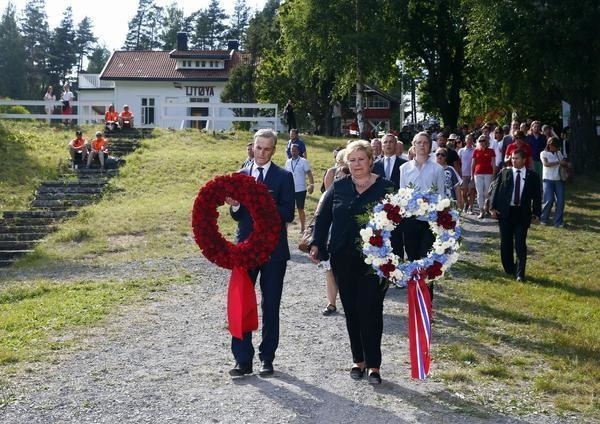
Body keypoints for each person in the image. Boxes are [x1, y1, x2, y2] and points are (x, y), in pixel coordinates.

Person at [309, 140, 394, 385]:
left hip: (375, 261)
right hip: (342, 257)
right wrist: (317, 243)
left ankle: (374, 365)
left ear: (370, 160)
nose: (357, 164)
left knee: (371, 309)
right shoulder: (339, 187)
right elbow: (323, 217)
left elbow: (399, 222)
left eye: (361, 159)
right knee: (352, 311)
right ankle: (358, 360)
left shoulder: (386, 188)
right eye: (352, 160)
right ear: (347, 163)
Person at [225, 128, 295, 378]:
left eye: (267, 149)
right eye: (258, 147)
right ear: (252, 147)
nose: (262, 152)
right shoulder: (240, 175)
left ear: (274, 150)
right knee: (241, 302)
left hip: (274, 250)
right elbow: (237, 216)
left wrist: (264, 204)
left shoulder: (284, 177)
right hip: (245, 249)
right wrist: (235, 206)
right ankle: (242, 359)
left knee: (270, 304)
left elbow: (288, 213)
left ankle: (267, 358)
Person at [399, 131, 446, 300]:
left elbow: (442, 196)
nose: (421, 145)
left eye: (425, 142)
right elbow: (402, 195)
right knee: (412, 261)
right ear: (413, 144)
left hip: (429, 222)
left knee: (427, 262)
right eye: (418, 142)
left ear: (430, 146)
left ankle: (427, 302)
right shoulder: (404, 168)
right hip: (410, 222)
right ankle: (414, 302)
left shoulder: (437, 169)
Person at [490, 149, 542, 281]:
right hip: (506, 212)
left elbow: (537, 196)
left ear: (524, 160)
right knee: (506, 243)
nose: (514, 161)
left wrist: (536, 212)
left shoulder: (533, 176)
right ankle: (509, 269)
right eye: (512, 158)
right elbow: (496, 190)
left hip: (522, 213)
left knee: (520, 244)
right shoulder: (505, 173)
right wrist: (492, 208)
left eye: (516, 158)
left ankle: (520, 273)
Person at [320, 149, 348, 316]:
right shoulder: (332, 172)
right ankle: (331, 303)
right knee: (329, 268)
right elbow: (326, 197)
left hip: (348, 227)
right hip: (331, 225)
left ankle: (349, 300)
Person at [285, 144, 314, 233]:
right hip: (290, 189)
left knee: (300, 208)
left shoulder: (303, 161)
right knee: (288, 208)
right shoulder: (288, 162)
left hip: (300, 189)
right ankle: (285, 229)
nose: (293, 152)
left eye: (295, 150)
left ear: (298, 151)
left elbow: (309, 173)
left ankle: (302, 228)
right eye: (292, 150)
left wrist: (311, 184)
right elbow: (285, 175)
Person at [540, 137, 567, 228]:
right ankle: (543, 218)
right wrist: (558, 162)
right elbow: (546, 164)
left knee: (560, 201)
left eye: (556, 146)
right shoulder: (543, 153)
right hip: (547, 179)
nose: (555, 148)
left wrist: (562, 163)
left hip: (559, 179)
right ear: (549, 145)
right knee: (549, 200)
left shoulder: (559, 153)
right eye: (553, 146)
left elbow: (564, 162)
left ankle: (558, 221)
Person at [471, 135, 496, 218]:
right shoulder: (476, 151)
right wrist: (472, 175)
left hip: (488, 173)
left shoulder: (491, 151)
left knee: (486, 193)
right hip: (477, 173)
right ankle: (481, 210)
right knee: (479, 193)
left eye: (484, 141)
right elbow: (473, 164)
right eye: (480, 141)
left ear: (487, 142)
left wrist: (494, 174)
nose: (482, 142)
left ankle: (487, 207)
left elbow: (493, 163)